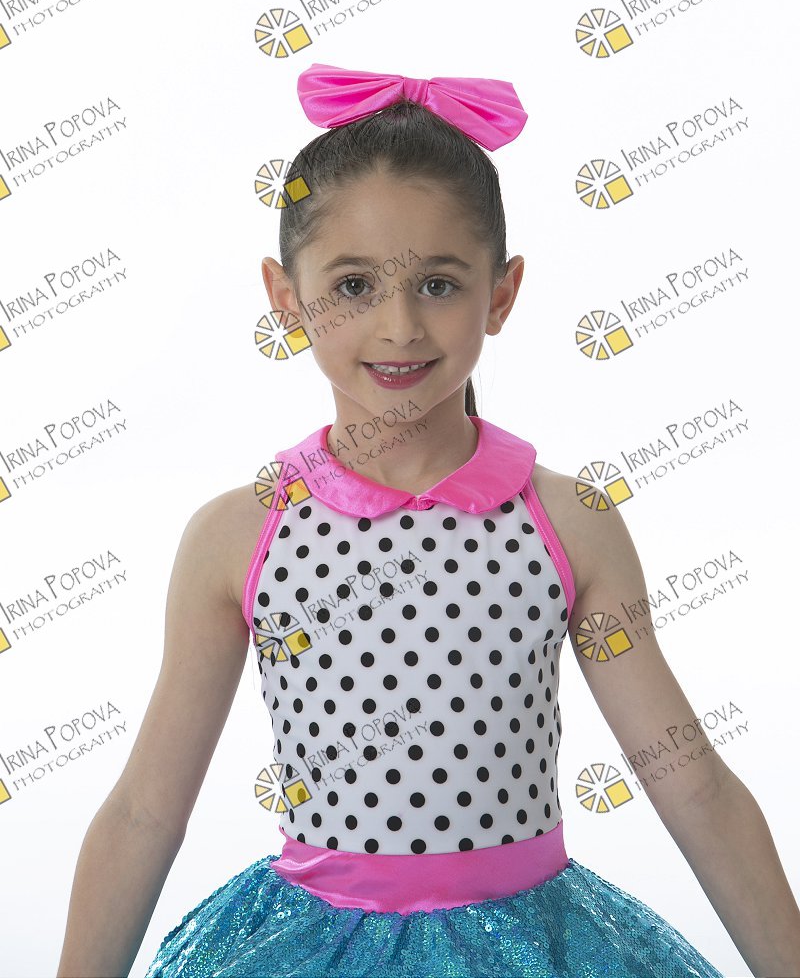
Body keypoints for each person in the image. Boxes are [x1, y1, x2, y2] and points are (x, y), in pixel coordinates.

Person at [57, 64, 800, 978]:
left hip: (537, 949)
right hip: (312, 948)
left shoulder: (569, 523)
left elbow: (691, 783)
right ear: (286, 297)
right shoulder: (239, 538)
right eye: (354, 285)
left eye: (440, 285)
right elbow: (144, 811)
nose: (400, 325)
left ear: (502, 292)